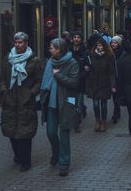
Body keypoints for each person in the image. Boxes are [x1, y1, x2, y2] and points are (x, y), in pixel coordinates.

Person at [0, 32, 43, 172]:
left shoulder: (34, 61)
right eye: (16, 42)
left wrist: (31, 93)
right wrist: (4, 91)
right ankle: (18, 155)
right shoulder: (7, 59)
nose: (17, 45)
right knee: (11, 131)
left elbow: (39, 81)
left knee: (25, 133)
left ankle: (26, 161)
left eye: (20, 42)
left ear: (26, 43)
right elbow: (2, 78)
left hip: (25, 101)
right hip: (10, 101)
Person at [40, 38, 80, 176]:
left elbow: (74, 83)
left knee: (64, 135)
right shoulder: (49, 62)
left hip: (65, 103)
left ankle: (64, 164)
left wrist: (58, 76)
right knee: (51, 132)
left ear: (59, 49)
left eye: (52, 47)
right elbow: (45, 81)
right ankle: (56, 153)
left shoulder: (72, 63)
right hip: (51, 103)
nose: (49, 49)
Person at [86, 38, 117, 132]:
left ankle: (103, 122)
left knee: (103, 104)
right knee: (95, 104)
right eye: (97, 45)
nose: (99, 47)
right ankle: (97, 121)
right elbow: (89, 68)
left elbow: (112, 72)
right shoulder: (91, 55)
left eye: (101, 45)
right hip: (94, 83)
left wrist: (113, 85)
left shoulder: (109, 56)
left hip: (105, 83)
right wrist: (87, 69)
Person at [70, 31, 89, 130]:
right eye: (75, 37)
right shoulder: (68, 51)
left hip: (80, 82)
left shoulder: (85, 51)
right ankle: (74, 118)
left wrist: (85, 73)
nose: (76, 39)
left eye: (78, 37)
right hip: (70, 82)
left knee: (79, 102)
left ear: (81, 39)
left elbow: (88, 66)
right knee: (71, 102)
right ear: (72, 39)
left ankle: (76, 122)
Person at [109, 35, 124, 124]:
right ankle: (117, 110)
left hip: (119, 77)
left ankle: (116, 112)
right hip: (111, 77)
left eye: (115, 43)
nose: (113, 44)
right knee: (114, 96)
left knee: (116, 96)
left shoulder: (122, 53)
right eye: (112, 42)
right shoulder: (109, 53)